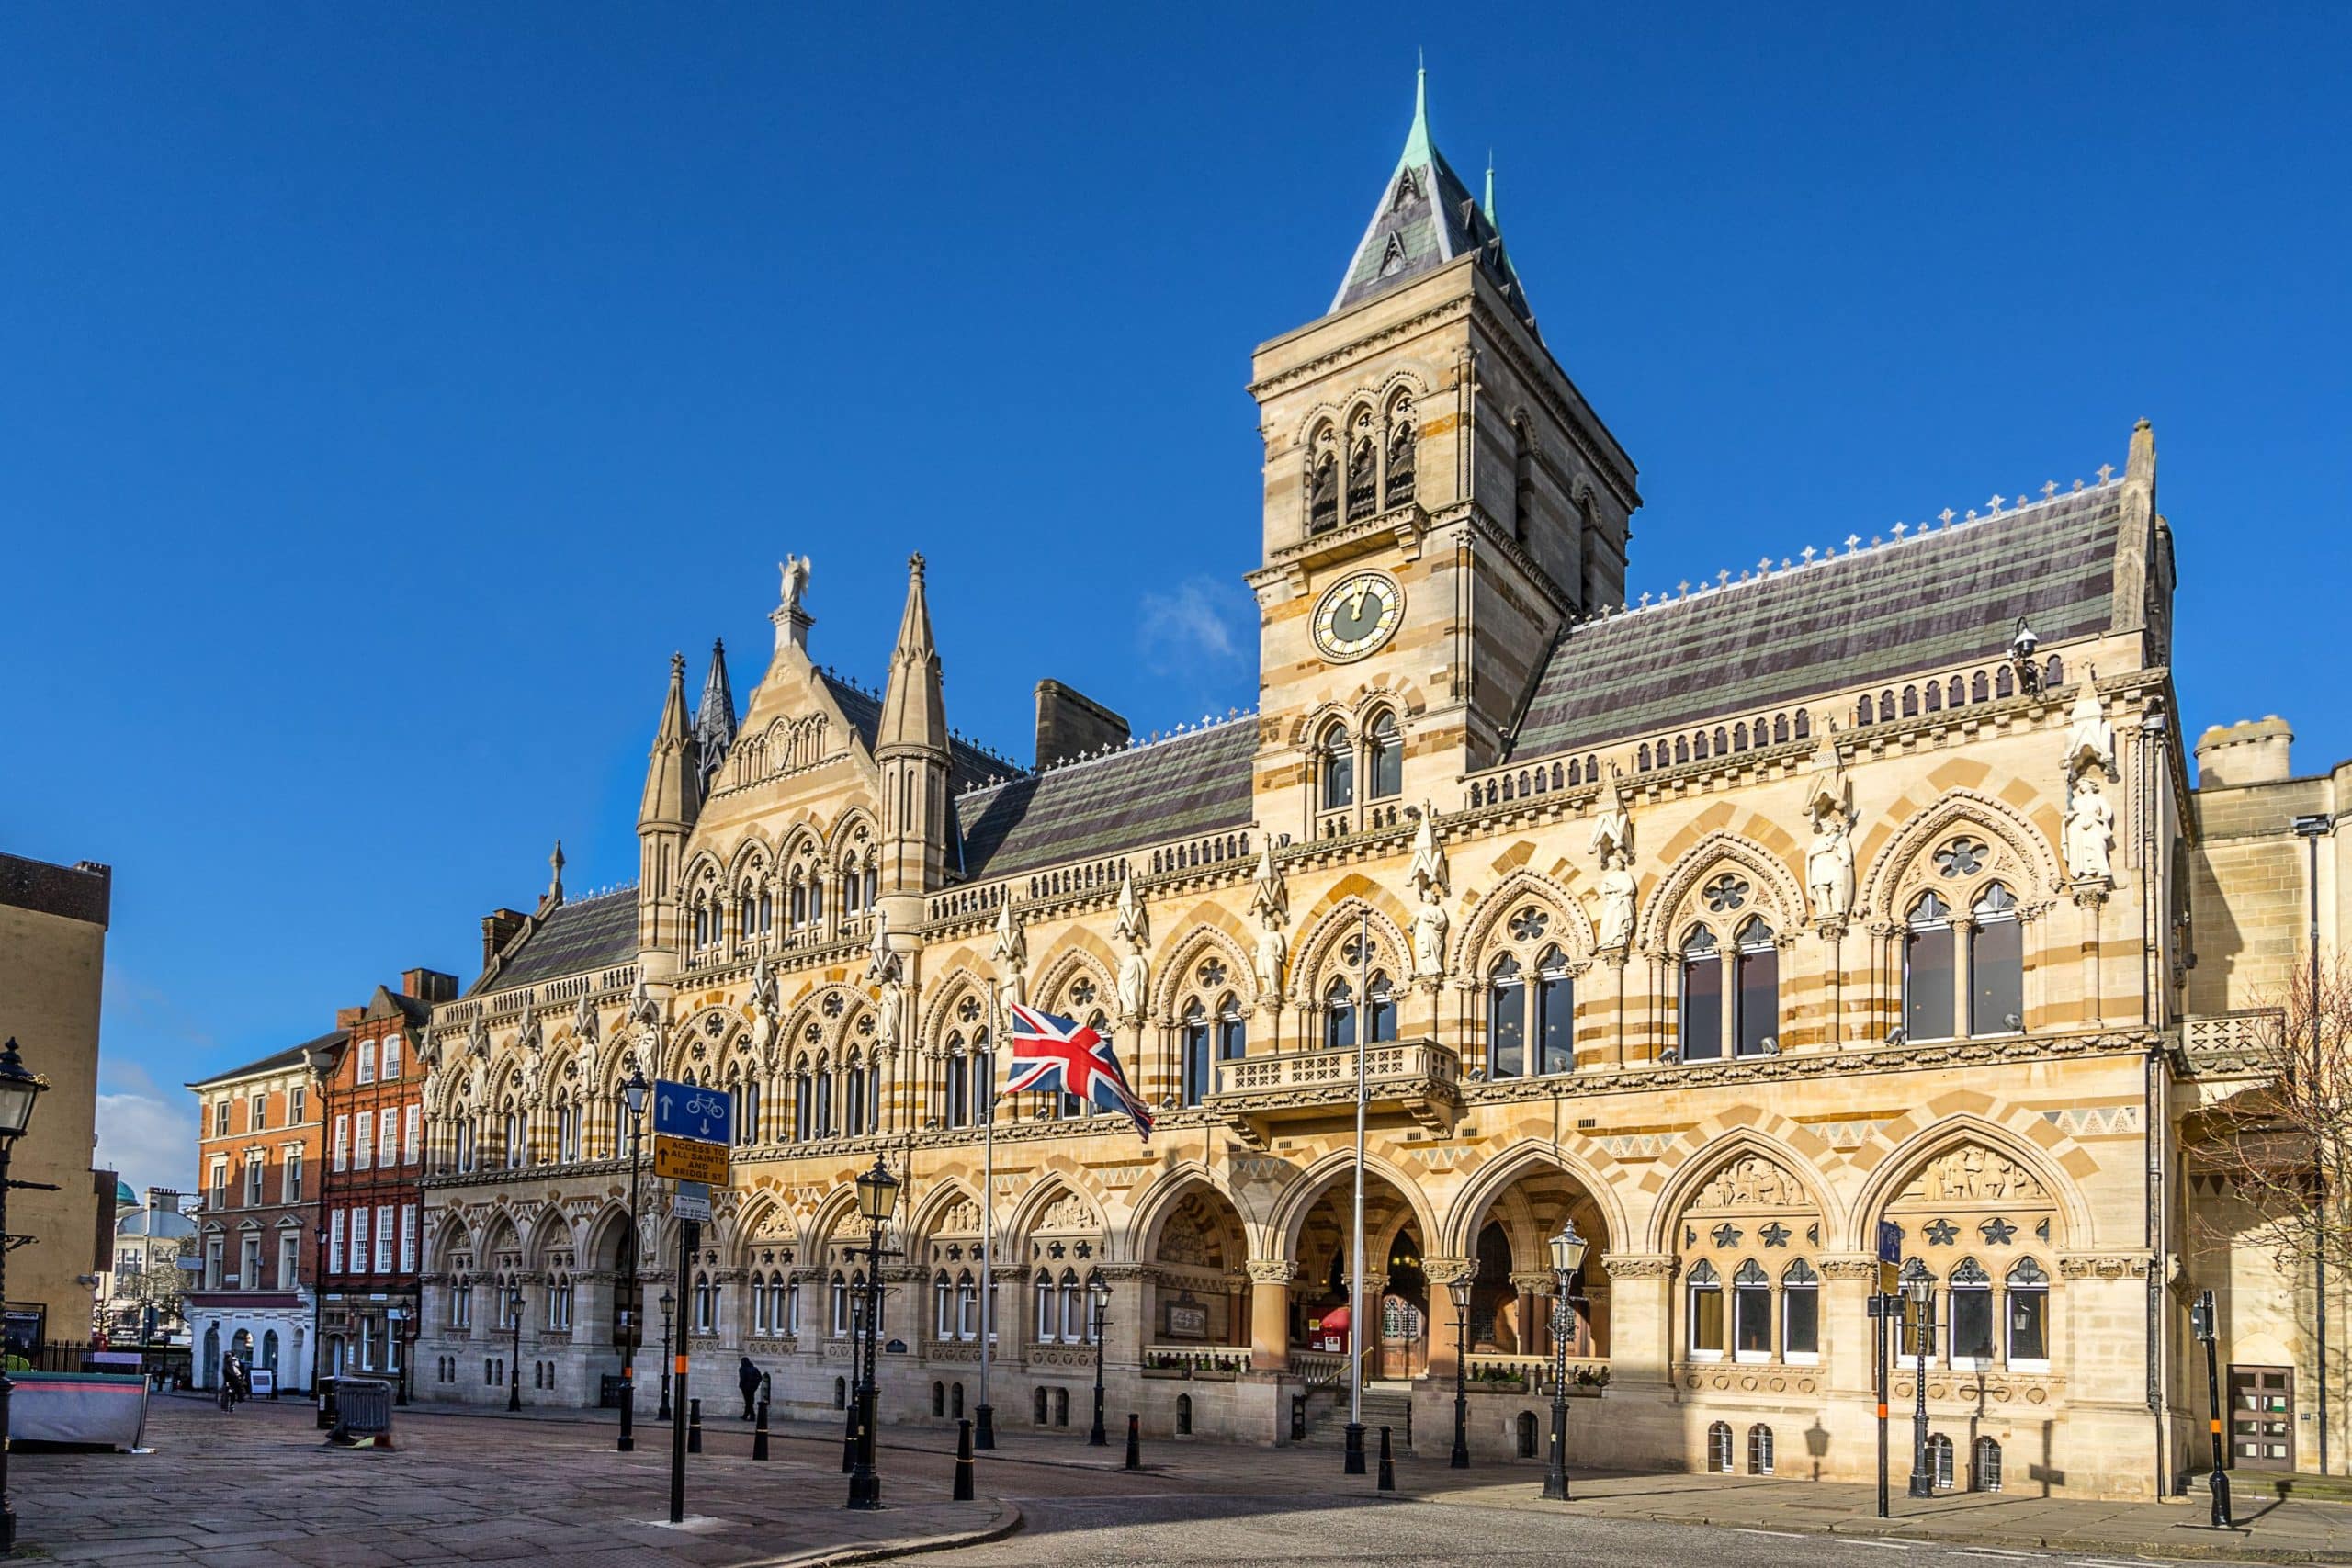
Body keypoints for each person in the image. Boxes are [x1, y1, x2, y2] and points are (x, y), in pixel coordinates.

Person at [738, 1355, 763, 1420]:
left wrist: (741, 1385)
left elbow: (742, 1378)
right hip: (752, 1388)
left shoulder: (742, 1369)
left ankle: (752, 1415)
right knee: (749, 1401)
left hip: (745, 1388)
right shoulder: (755, 1369)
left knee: (748, 1402)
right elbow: (760, 1377)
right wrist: (755, 1385)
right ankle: (746, 1415)